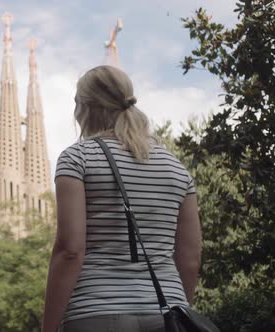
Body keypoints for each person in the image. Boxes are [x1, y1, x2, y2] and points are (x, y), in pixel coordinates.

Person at [41, 65, 202, 332]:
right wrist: (176, 308)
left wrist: (48, 327)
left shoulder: (77, 159)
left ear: (85, 108)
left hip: (95, 312)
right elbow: (190, 257)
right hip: (167, 312)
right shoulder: (176, 168)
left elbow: (70, 251)